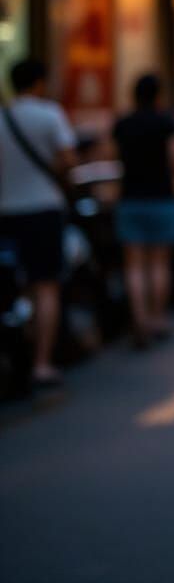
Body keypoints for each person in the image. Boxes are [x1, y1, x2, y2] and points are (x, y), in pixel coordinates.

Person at [0, 58, 77, 387]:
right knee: (46, 285)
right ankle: (41, 362)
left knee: (17, 285)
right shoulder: (50, 115)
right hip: (44, 209)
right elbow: (68, 161)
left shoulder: (2, 117)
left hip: (6, 212)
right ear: (40, 82)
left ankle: (20, 351)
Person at [113, 74, 174, 347]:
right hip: (162, 198)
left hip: (130, 199)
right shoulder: (166, 122)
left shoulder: (123, 123)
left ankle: (139, 321)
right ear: (158, 95)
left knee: (133, 266)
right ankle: (158, 319)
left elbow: (110, 155)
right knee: (159, 263)